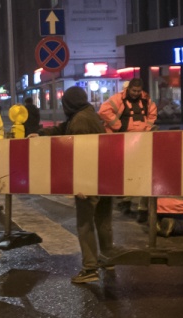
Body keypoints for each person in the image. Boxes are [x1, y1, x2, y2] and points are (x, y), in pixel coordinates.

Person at [35, 86, 112, 284]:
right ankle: (108, 258)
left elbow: (82, 157)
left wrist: (81, 185)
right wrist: (42, 134)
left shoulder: (80, 121)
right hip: (105, 178)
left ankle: (90, 268)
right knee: (103, 221)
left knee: (84, 224)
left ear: (69, 104)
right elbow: (62, 129)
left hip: (89, 181)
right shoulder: (86, 114)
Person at [100, 78, 157, 222]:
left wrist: (146, 128)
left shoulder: (146, 99)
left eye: (138, 91)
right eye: (134, 91)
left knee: (142, 172)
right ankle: (126, 201)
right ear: (129, 89)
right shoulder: (119, 98)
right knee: (127, 172)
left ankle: (137, 207)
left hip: (141, 140)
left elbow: (152, 114)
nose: (136, 93)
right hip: (123, 140)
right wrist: (118, 126)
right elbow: (103, 111)